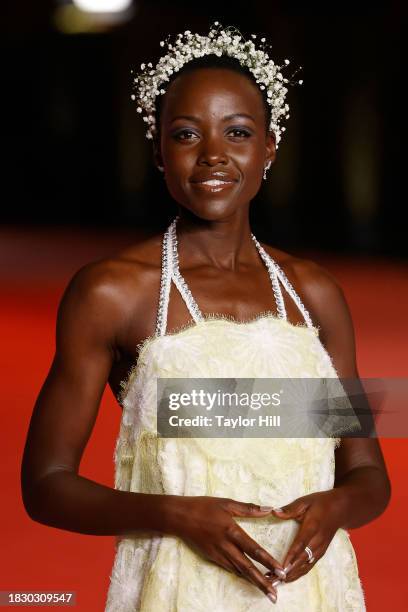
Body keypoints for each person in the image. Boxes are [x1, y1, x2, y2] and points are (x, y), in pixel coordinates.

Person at [21, 23, 391, 611]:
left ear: (269, 149)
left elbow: (369, 475)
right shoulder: (113, 292)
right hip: (178, 588)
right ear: (158, 150)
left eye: (238, 133)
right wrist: (176, 514)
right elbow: (45, 486)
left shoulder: (314, 292)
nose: (213, 156)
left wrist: (336, 506)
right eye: (187, 134)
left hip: (308, 590)